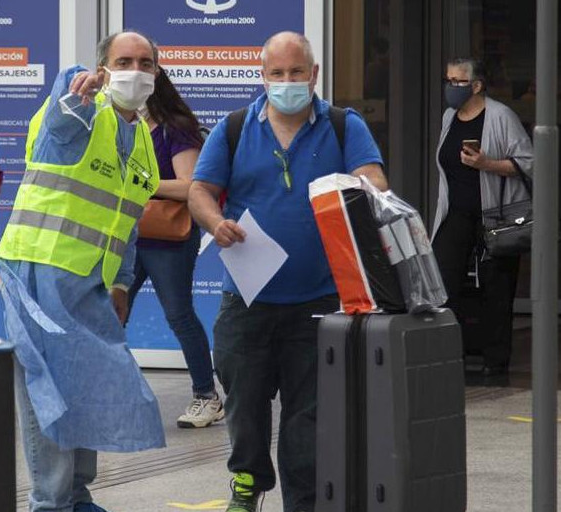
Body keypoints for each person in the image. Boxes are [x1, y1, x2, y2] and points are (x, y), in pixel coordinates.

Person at [189, 31, 388, 512]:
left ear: (314, 74)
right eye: (276, 74)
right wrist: (216, 223)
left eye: (296, 72)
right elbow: (200, 190)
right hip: (247, 297)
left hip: (320, 299)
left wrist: (359, 185)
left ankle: (304, 501)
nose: (287, 82)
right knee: (243, 402)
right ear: (263, 76)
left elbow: (376, 178)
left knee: (310, 416)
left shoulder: (343, 125)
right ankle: (248, 479)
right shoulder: (234, 127)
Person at [0, 31, 166, 512]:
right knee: (47, 393)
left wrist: (121, 282)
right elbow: (59, 129)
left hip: (90, 286)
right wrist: (74, 97)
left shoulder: (143, 145)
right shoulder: (82, 111)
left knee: (86, 387)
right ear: (103, 69)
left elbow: (126, 224)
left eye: (145, 62)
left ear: (156, 73)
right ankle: (49, 503)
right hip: (38, 273)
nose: (135, 70)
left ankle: (76, 496)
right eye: (124, 61)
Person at [125, 68, 223, 428]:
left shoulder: (175, 127)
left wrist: (141, 185)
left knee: (178, 314)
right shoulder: (123, 125)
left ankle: (206, 396)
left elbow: (190, 186)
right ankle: (114, 392)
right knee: (111, 314)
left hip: (168, 238)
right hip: (128, 235)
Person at [430, 57, 533, 377]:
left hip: (496, 216)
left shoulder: (501, 116)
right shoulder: (449, 117)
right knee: (444, 283)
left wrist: (488, 164)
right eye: (447, 80)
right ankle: (448, 355)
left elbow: (529, 163)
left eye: (458, 82)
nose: (451, 88)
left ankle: (495, 361)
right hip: (456, 213)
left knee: (496, 288)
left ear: (476, 85)